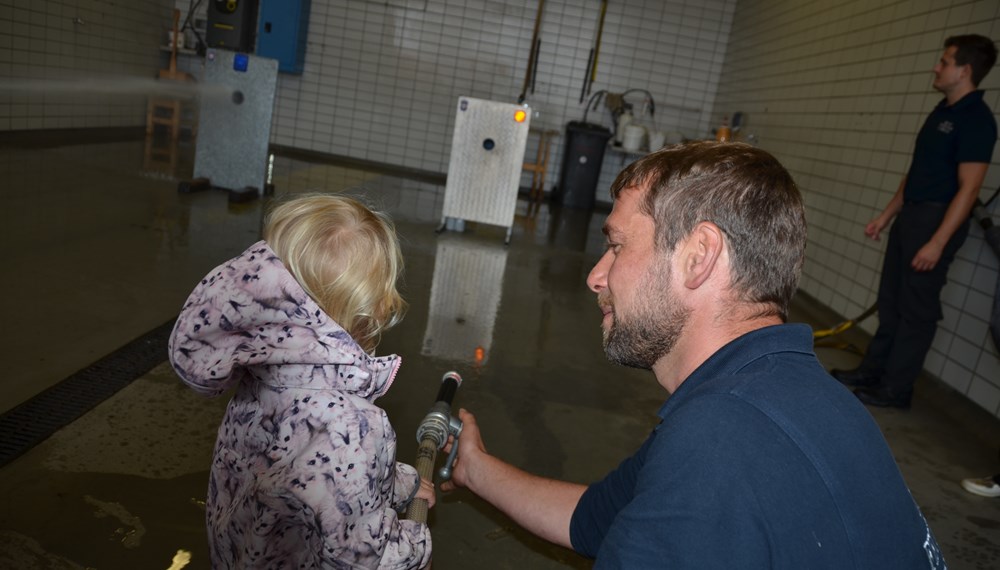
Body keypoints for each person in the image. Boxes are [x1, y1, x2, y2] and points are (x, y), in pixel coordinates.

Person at [441, 141, 945, 568]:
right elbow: (595, 518)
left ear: (699, 257)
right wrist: (475, 468)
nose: (597, 275)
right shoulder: (787, 392)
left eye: (617, 246)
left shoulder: (719, 443)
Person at [168, 194, 433, 569]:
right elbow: (365, 562)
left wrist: (397, 483)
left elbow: (319, 486)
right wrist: (418, 544)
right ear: (373, 311)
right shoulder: (354, 427)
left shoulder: (261, 380)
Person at [832, 35, 998, 409]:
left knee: (916, 310)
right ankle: (873, 371)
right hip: (912, 215)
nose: (936, 68)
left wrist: (938, 241)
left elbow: (969, 190)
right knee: (890, 300)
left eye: (944, 62)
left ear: (964, 70)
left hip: (937, 220)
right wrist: (887, 215)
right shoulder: (941, 110)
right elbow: (917, 171)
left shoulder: (977, 121)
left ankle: (896, 388)